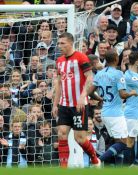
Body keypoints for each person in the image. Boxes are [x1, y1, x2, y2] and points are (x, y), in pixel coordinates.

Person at [52, 32, 100, 168]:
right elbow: (59, 83)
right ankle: (64, 169)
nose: (59, 46)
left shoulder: (81, 57)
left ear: (71, 43)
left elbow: (90, 78)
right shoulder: (59, 61)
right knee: (62, 134)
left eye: (63, 43)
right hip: (64, 104)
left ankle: (95, 160)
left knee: (79, 138)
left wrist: (82, 96)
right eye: (59, 43)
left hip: (79, 105)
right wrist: (55, 104)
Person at [89, 49, 137, 167]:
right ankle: (98, 161)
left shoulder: (99, 74)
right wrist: (132, 93)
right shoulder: (118, 74)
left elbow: (90, 92)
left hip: (105, 112)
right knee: (124, 143)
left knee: (117, 141)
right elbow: (122, 94)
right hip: (115, 114)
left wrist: (100, 99)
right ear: (116, 59)